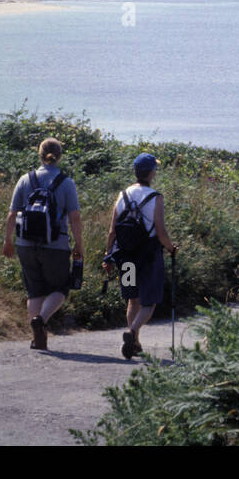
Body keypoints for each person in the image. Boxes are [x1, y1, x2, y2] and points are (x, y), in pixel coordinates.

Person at [2, 138, 83, 351]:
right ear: (59, 156)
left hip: (25, 245)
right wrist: (78, 245)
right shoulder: (66, 183)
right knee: (61, 288)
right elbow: (74, 217)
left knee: (34, 290)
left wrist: (7, 241)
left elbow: (12, 214)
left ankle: (37, 337)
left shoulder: (24, 180)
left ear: (39, 155)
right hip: (55, 245)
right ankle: (41, 320)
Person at [104, 152, 176, 358]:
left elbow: (112, 230)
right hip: (149, 255)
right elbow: (161, 232)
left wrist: (108, 255)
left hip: (125, 255)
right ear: (152, 173)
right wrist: (171, 248)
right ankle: (132, 331)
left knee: (132, 299)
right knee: (149, 301)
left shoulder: (122, 195)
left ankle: (135, 343)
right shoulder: (156, 197)